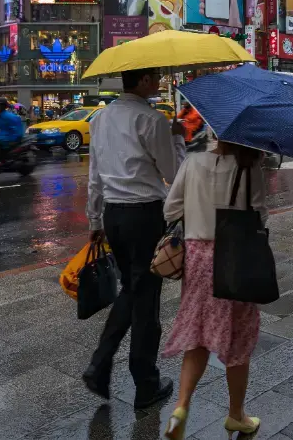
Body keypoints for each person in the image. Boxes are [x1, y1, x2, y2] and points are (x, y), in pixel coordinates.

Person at [84, 68, 186, 410]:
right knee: (146, 300)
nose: (158, 80)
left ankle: (102, 365)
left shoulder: (100, 118)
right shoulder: (152, 120)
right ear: (142, 81)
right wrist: (177, 138)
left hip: (113, 214)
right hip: (145, 215)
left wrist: (95, 217)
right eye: (154, 76)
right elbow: (173, 174)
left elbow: (94, 174)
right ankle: (145, 382)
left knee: (132, 288)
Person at [160, 141, 266, 440]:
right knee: (238, 338)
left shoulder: (192, 162)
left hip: (196, 257)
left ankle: (181, 408)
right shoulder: (250, 167)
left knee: (197, 333)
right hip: (236, 258)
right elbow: (259, 216)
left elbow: (170, 209)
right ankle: (236, 415)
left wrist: (196, 210)